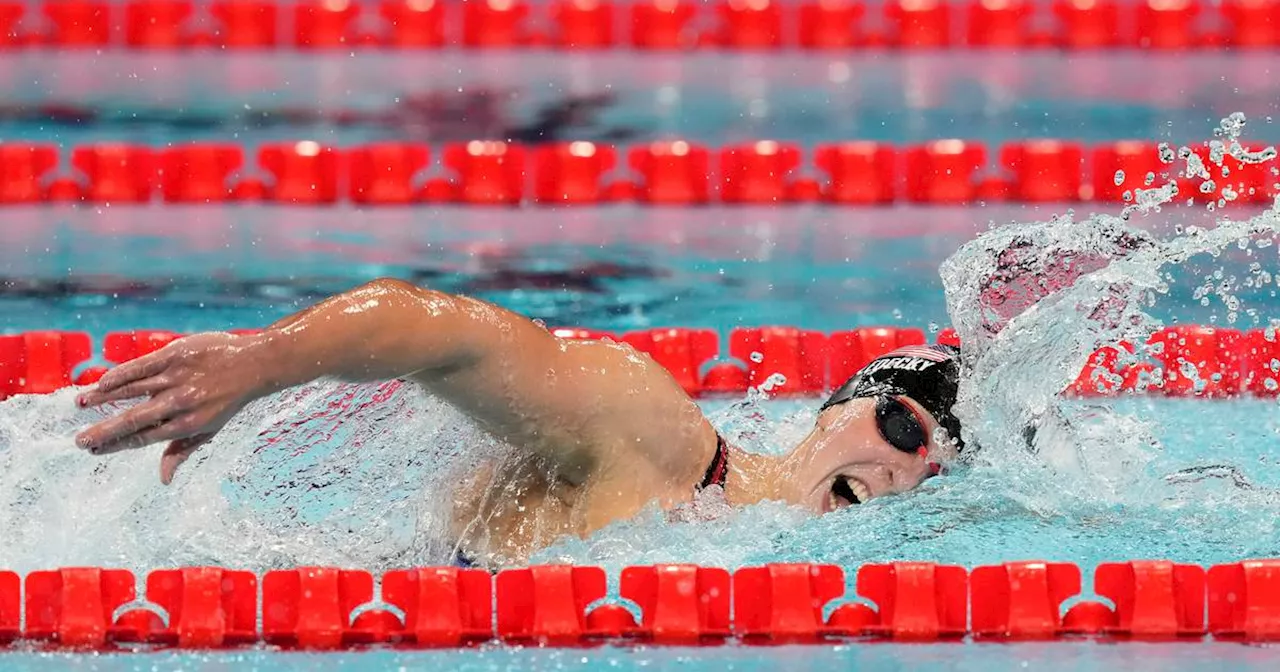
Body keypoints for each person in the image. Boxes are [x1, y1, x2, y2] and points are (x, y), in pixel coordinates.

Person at [73, 278, 965, 568]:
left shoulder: (769, 563)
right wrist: (256, 364)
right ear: (838, 409)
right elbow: (443, 334)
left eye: (935, 471)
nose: (904, 470)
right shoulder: (660, 436)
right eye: (903, 429)